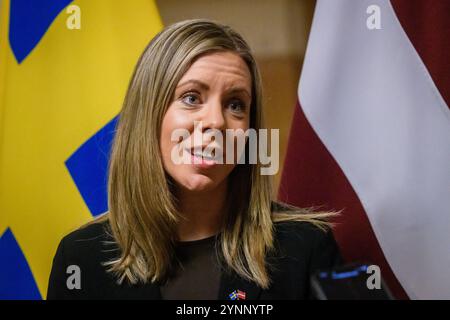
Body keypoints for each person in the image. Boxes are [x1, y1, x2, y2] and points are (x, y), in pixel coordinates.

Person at [47, 19, 341, 300]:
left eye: (235, 104)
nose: (215, 121)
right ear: (148, 115)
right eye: (191, 98)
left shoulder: (306, 248)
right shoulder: (81, 259)